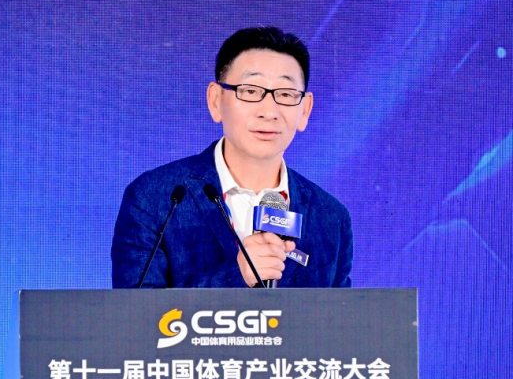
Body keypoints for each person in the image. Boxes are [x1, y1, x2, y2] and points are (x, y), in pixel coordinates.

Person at [111, 26, 353, 288]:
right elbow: (136, 311)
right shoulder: (157, 198)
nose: (269, 112)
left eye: (285, 94)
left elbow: (340, 314)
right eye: (250, 91)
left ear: (304, 110)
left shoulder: (331, 217)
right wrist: (237, 277)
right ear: (215, 100)